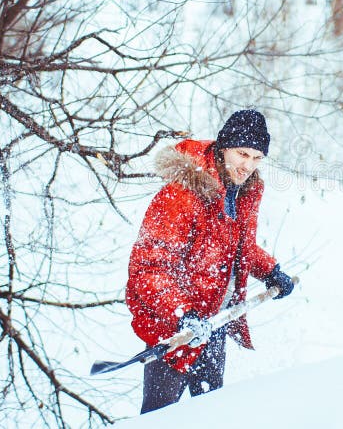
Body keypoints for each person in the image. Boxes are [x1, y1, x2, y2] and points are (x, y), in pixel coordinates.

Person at [126, 109, 295, 414]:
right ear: (223, 146)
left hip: (215, 323)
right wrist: (182, 314)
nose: (248, 165)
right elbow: (150, 266)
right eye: (242, 153)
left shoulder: (241, 191)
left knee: (209, 414)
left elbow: (234, 247)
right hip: (176, 332)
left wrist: (270, 271)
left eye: (257, 158)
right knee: (159, 417)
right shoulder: (182, 194)